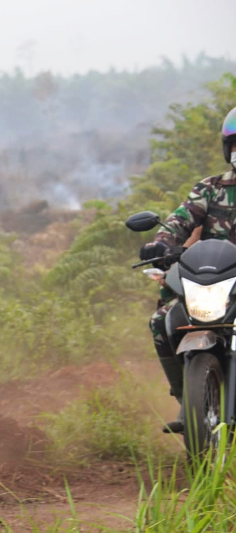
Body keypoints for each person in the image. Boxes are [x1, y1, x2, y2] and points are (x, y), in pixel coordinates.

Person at [138, 106, 236, 433]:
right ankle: (188, 399)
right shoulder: (211, 188)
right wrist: (161, 244)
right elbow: (180, 220)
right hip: (218, 279)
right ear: (228, 148)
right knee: (161, 319)